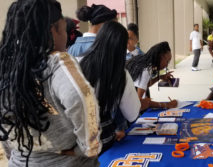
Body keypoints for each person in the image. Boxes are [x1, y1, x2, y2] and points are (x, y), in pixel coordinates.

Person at [0, 1, 101, 167]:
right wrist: (88, 147)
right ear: (52, 31)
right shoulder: (57, 62)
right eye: (64, 30)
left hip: (21, 161)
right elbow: (78, 97)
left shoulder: (5, 67)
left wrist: (14, 152)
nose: (66, 37)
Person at [80, 21, 141, 152]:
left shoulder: (78, 64)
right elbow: (132, 114)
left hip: (78, 143)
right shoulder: (120, 74)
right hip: (103, 141)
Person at [126, 41, 178, 109]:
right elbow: (139, 103)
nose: (166, 65)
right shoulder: (146, 69)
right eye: (167, 61)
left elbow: (143, 85)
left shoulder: (145, 62)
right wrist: (166, 105)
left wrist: (160, 77)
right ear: (160, 57)